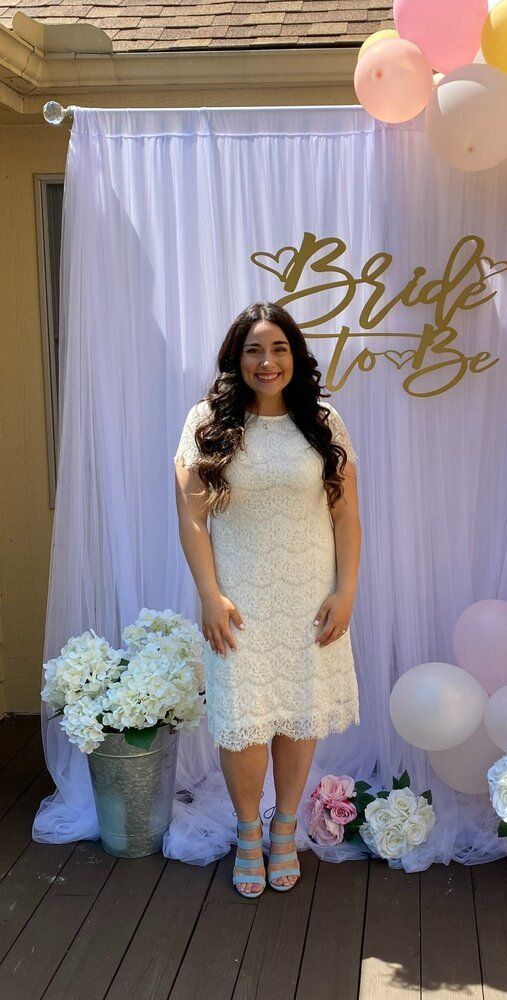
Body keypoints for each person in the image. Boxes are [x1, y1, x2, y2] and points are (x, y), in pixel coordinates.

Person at [173, 302, 361, 898]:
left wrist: (345, 590)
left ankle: (285, 827)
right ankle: (247, 832)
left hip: (310, 595)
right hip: (240, 597)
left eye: (278, 348)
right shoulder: (208, 420)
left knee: (298, 709)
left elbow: (347, 515)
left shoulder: (323, 421)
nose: (267, 361)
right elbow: (193, 518)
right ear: (237, 358)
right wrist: (210, 595)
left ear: (295, 357)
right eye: (254, 349)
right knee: (244, 721)